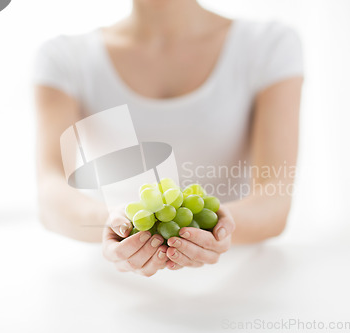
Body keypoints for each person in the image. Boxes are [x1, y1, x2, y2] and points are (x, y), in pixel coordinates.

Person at [34, 0, 303, 277]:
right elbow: (50, 193)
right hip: (110, 281)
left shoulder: (268, 44)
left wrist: (218, 228)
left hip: (239, 278)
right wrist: (110, 223)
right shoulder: (65, 57)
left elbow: (275, 197)